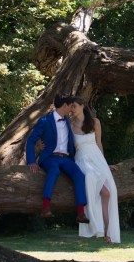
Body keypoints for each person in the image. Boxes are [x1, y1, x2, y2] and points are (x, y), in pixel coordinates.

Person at [25, 94, 89, 223]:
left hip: (66, 158)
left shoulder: (68, 122)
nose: (71, 109)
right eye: (71, 106)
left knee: (79, 174)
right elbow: (31, 140)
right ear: (65, 105)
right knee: (54, 170)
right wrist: (31, 161)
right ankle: (45, 207)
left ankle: (81, 213)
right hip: (49, 158)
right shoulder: (44, 120)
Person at [71, 101, 121, 243]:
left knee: (108, 193)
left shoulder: (95, 122)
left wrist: (104, 163)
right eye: (71, 107)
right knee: (94, 182)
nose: (72, 109)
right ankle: (96, 226)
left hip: (97, 159)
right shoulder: (70, 125)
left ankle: (107, 231)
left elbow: (99, 143)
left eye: (74, 106)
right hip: (82, 160)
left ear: (82, 106)